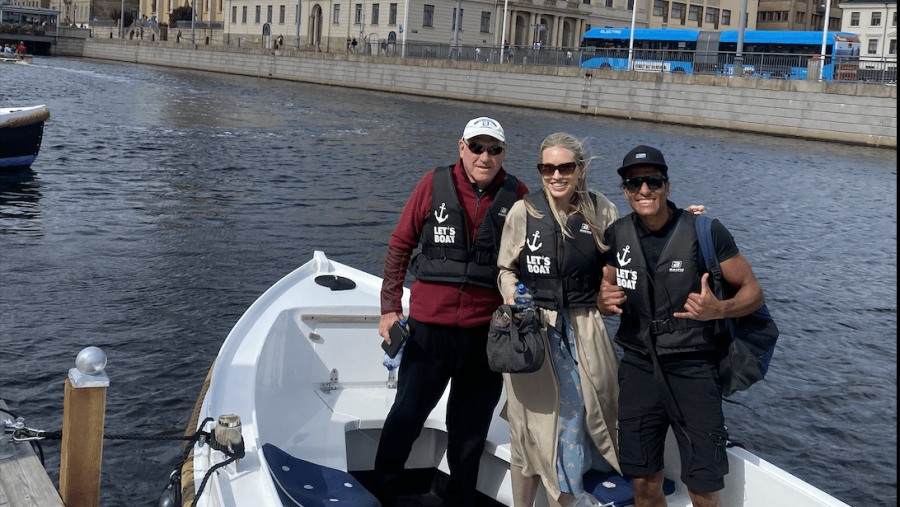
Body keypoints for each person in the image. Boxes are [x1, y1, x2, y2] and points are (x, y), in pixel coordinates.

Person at [374, 116, 529, 507]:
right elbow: (399, 246)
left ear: (503, 154)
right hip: (430, 329)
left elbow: (542, 251)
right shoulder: (433, 184)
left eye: (493, 149)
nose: (484, 156)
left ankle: (459, 498)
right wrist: (390, 308)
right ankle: (385, 487)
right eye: (476, 147)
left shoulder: (519, 195)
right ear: (461, 147)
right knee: (408, 412)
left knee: (471, 426)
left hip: (485, 334)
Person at [598, 145, 765, 507]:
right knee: (643, 480)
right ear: (625, 191)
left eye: (653, 182)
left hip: (694, 368)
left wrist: (718, 309)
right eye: (634, 184)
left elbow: (754, 293)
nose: (644, 190)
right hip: (639, 367)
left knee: (702, 486)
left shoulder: (706, 231)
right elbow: (606, 289)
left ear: (667, 185)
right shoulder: (616, 235)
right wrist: (603, 303)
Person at [496, 132, 621, 507]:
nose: (555, 175)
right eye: (547, 168)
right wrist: (510, 295)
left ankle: (565, 498)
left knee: (574, 415)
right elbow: (506, 267)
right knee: (526, 426)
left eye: (565, 167)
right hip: (533, 330)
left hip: (583, 327)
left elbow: (620, 267)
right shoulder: (524, 211)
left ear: (580, 170)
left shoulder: (602, 212)